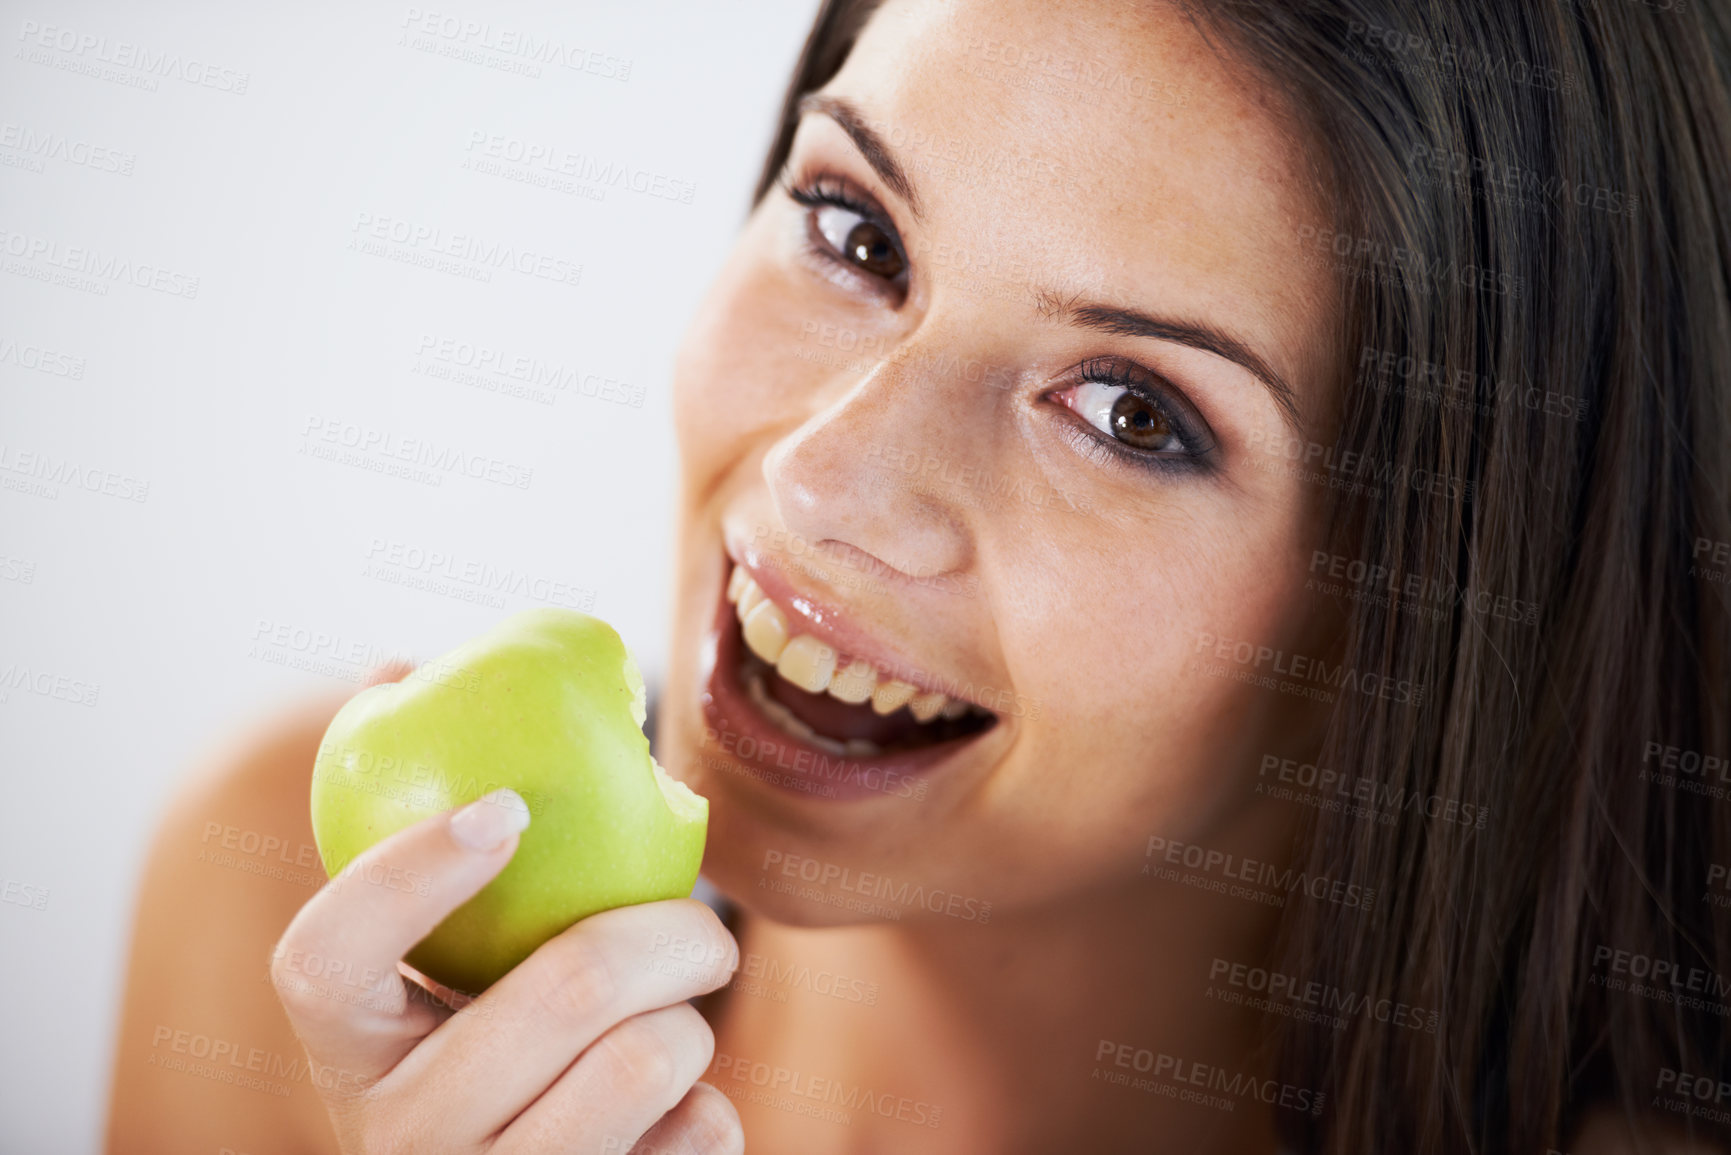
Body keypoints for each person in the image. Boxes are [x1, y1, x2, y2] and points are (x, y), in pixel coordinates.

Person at [105, 0, 1731, 1151]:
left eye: (1131, 412)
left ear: (1435, 599)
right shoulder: (303, 941)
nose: (826, 479)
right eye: (856, 232)